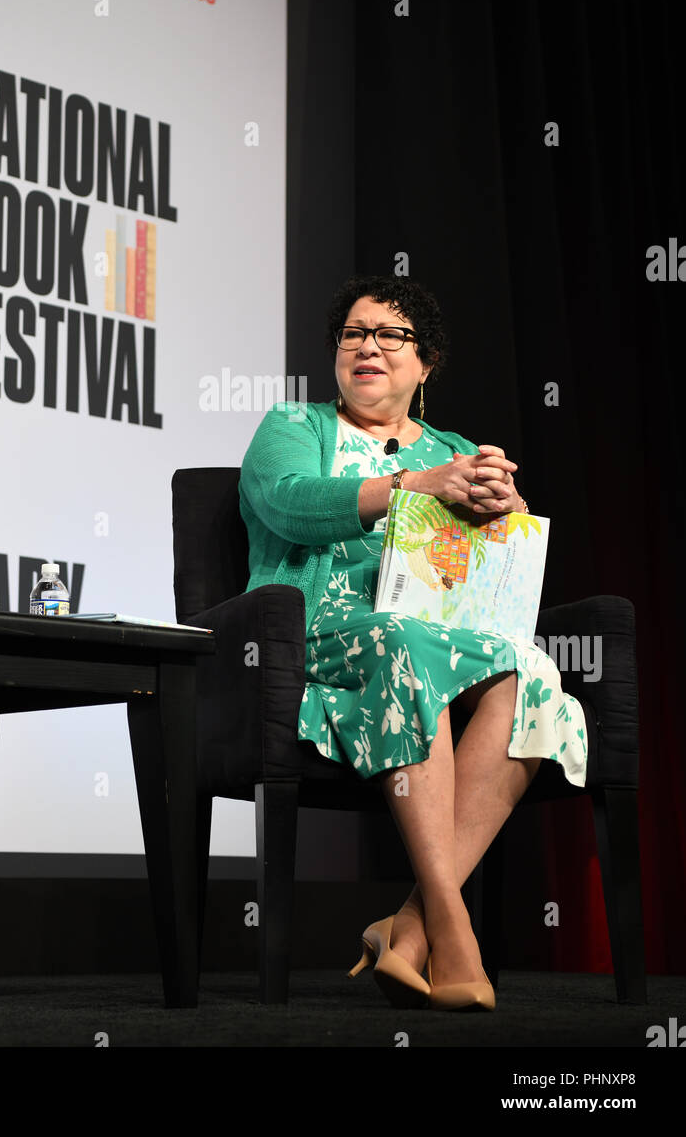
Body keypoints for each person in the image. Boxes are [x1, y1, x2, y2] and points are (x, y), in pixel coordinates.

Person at [239, 275, 587, 1011]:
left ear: (424, 364)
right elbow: (286, 504)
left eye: (390, 335)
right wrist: (411, 486)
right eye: (354, 334)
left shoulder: (456, 448)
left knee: (532, 671)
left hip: (438, 640)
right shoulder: (296, 426)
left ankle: (411, 926)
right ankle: (450, 926)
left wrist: (506, 508)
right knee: (401, 638)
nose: (368, 346)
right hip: (320, 642)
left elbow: (497, 564)